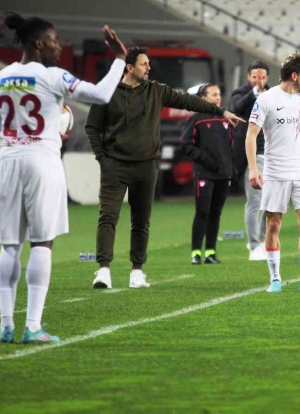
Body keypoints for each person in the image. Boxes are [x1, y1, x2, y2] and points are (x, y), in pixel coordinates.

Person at [0, 12, 129, 344]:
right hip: (42, 162)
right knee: (41, 242)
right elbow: (101, 94)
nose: (59, 47)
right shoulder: (53, 77)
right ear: (38, 43)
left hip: (8, 162)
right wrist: (120, 59)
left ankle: (5, 326)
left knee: (9, 245)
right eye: (54, 41)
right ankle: (32, 326)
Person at [87, 47, 243, 290]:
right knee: (108, 217)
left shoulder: (156, 91)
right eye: (143, 64)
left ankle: (136, 271)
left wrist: (221, 111)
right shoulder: (108, 93)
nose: (149, 68)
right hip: (114, 166)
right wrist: (103, 159)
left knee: (141, 221)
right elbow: (91, 127)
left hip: (146, 166)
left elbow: (189, 101)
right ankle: (103, 270)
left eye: (148, 64)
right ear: (129, 68)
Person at [246, 51, 300, 293]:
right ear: (294, 75)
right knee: (273, 225)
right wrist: (254, 168)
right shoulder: (267, 99)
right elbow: (251, 134)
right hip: (275, 172)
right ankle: (275, 279)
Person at [181, 84, 234, 265]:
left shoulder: (225, 118)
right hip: (204, 173)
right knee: (202, 212)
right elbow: (186, 144)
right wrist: (207, 160)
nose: (218, 98)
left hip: (223, 175)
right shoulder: (196, 118)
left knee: (215, 214)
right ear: (203, 98)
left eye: (219, 94)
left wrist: (230, 168)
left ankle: (210, 252)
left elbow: (230, 145)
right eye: (214, 95)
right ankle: (196, 252)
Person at [230, 60, 270, 261]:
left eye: (262, 76)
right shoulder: (240, 93)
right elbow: (237, 107)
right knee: (255, 201)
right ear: (248, 77)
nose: (259, 80)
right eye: (255, 76)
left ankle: (261, 239)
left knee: (273, 202)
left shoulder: (274, 94)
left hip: (273, 154)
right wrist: (254, 93)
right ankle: (254, 246)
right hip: (253, 154)